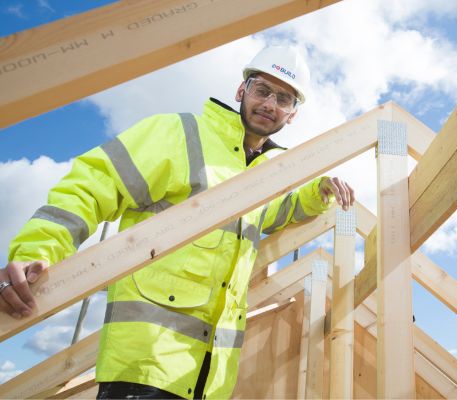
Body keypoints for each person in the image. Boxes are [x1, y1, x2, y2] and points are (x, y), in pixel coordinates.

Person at [1, 46, 354, 399]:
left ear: (292, 114)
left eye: (284, 98)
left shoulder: (272, 173)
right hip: (143, 365)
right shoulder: (178, 133)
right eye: (262, 90)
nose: (270, 104)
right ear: (241, 91)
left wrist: (316, 191)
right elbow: (93, 186)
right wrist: (38, 250)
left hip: (209, 380)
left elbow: (279, 210)